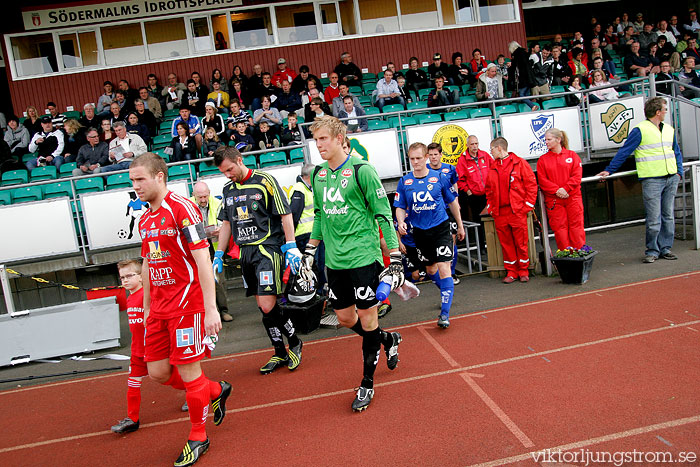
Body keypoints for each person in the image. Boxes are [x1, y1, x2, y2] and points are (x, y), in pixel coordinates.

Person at [128, 153, 231, 466]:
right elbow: (147, 262)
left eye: (140, 179)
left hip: (187, 306)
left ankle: (199, 435)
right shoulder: (145, 218)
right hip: (158, 307)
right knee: (157, 371)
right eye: (132, 181)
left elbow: (202, 259)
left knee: (188, 371)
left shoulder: (182, 208)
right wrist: (146, 304)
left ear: (159, 176)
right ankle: (214, 390)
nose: (135, 186)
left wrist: (211, 308)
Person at [299, 115, 403, 412]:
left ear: (339, 138)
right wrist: (310, 251)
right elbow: (319, 215)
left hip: (362, 257)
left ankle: (367, 383)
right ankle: (389, 338)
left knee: (368, 320)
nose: (318, 145)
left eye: (323, 139)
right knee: (345, 319)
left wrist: (394, 255)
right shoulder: (318, 174)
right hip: (334, 261)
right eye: (315, 139)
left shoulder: (362, 170)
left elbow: (383, 212)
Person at [213, 146, 304, 374]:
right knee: (263, 308)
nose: (228, 175)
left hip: (267, 250)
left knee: (267, 303)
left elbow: (285, 214)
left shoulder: (265, 180)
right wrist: (218, 253)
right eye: (223, 172)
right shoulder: (227, 189)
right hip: (246, 254)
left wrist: (291, 245)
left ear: (239, 160)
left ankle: (294, 342)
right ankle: (278, 351)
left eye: (230, 169)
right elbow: (226, 224)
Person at [597, 97, 683, 263]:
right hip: (652, 179)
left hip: (670, 176)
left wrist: (678, 172)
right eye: (664, 109)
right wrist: (609, 169)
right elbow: (624, 151)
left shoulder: (669, 129)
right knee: (654, 218)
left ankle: (665, 248)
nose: (666, 112)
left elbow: (676, 151)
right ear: (658, 112)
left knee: (667, 216)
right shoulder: (640, 130)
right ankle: (652, 250)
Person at [395, 142, 465, 330]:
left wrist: (459, 226)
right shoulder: (405, 182)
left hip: (440, 229)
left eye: (419, 158)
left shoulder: (440, 178)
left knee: (444, 268)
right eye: (412, 159)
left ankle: (444, 313)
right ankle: (446, 291)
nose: (415, 162)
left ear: (426, 157)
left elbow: (453, 203)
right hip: (419, 232)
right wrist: (401, 221)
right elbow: (400, 207)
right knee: (431, 270)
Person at [485, 137, 537, 283]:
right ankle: (512, 272)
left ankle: (523, 270)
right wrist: (490, 206)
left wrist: (527, 205)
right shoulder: (493, 167)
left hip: (516, 211)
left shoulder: (519, 163)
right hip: (500, 213)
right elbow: (488, 189)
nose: (491, 153)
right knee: (506, 244)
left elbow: (531, 185)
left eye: (492, 149)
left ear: (499, 148)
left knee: (521, 243)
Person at [191, 181, 233, 323]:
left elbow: (226, 223)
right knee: (202, 281)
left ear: (209, 193)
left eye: (205, 196)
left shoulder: (217, 203)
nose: (203, 200)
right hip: (198, 249)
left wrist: (220, 230)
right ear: (194, 195)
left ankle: (224, 311)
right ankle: (210, 312)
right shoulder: (188, 206)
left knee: (218, 280)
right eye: (200, 197)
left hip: (215, 247)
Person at [537, 129, 585, 251]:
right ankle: (567, 258)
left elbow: (577, 176)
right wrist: (557, 190)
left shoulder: (572, 156)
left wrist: (566, 189)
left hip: (572, 198)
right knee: (560, 230)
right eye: (545, 139)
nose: (546, 142)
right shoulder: (543, 160)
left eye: (549, 139)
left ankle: (580, 257)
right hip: (554, 201)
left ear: (558, 140)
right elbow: (542, 180)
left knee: (576, 228)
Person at [426, 142, 462, 283]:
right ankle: (437, 272)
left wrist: (456, 202)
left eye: (436, 154)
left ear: (441, 155)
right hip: (433, 212)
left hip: (448, 210)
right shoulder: (425, 169)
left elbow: (454, 185)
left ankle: (451, 273)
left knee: (451, 241)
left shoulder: (450, 168)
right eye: (431, 155)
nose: (433, 157)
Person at [289, 163, 326, 293]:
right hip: (305, 236)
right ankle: (314, 294)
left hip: (314, 235)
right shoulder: (299, 189)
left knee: (319, 266)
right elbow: (293, 215)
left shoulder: (308, 188)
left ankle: (320, 294)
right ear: (311, 176)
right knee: (312, 267)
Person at [456, 135, 491, 253]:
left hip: (488, 194)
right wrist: (467, 190)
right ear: (467, 145)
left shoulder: (485, 155)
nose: (475, 146)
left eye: (476, 143)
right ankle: (481, 247)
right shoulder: (463, 160)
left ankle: (493, 244)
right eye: (472, 144)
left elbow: (494, 170)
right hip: (475, 196)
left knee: (493, 219)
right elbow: (459, 179)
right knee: (478, 222)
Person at [508, 41, 538, 111]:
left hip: (523, 79)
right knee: (526, 94)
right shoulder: (524, 53)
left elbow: (514, 67)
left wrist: (510, 65)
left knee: (521, 95)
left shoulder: (517, 54)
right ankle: (527, 110)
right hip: (529, 78)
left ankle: (532, 106)